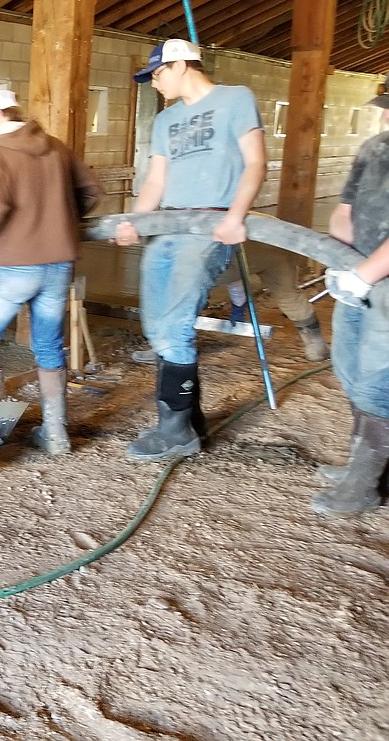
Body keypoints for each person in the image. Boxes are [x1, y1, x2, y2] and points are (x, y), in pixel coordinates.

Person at [112, 39, 267, 462]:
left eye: (158, 74)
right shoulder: (166, 121)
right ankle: (190, 420)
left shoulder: (236, 99)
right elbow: (156, 183)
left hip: (209, 225)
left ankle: (174, 429)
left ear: (182, 65)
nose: (155, 83)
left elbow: (256, 163)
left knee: (175, 325)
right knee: (156, 323)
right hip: (168, 226)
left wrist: (236, 216)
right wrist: (134, 221)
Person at [0, 89, 103, 471]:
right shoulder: (56, 147)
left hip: (14, 267)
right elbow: (92, 191)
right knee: (49, 347)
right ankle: (56, 434)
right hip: (58, 265)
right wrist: (57, 221)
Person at [310, 78, 389, 516]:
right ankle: (366, 464)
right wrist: (338, 260)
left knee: (381, 380)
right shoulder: (376, 148)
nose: (384, 115)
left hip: (380, 278)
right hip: (358, 271)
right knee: (352, 369)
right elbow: (344, 212)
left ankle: (364, 484)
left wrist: (363, 273)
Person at [130, 242, 328, 363]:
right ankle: (316, 346)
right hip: (270, 245)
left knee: (181, 290)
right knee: (288, 294)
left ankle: (169, 347)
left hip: (236, 248)